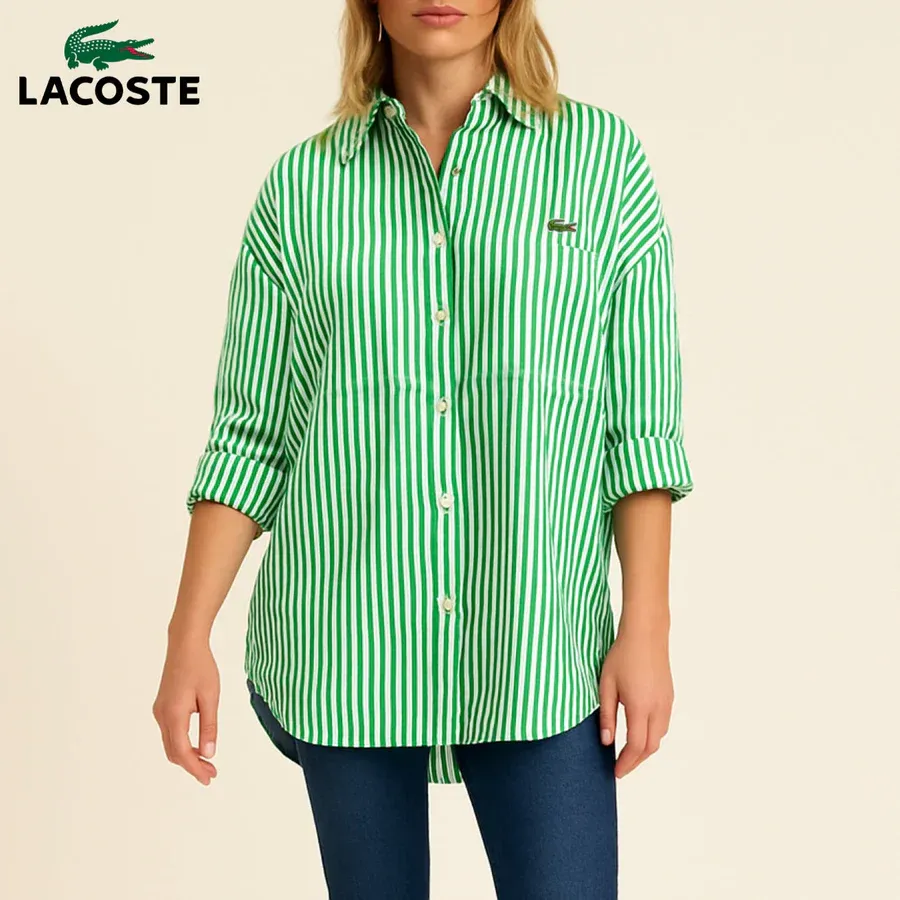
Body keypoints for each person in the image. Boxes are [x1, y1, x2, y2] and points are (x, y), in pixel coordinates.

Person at [152, 1, 695, 897]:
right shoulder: (304, 189)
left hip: (536, 642)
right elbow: (251, 435)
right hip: (344, 641)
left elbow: (638, 427)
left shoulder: (599, 161)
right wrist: (187, 638)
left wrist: (647, 628)